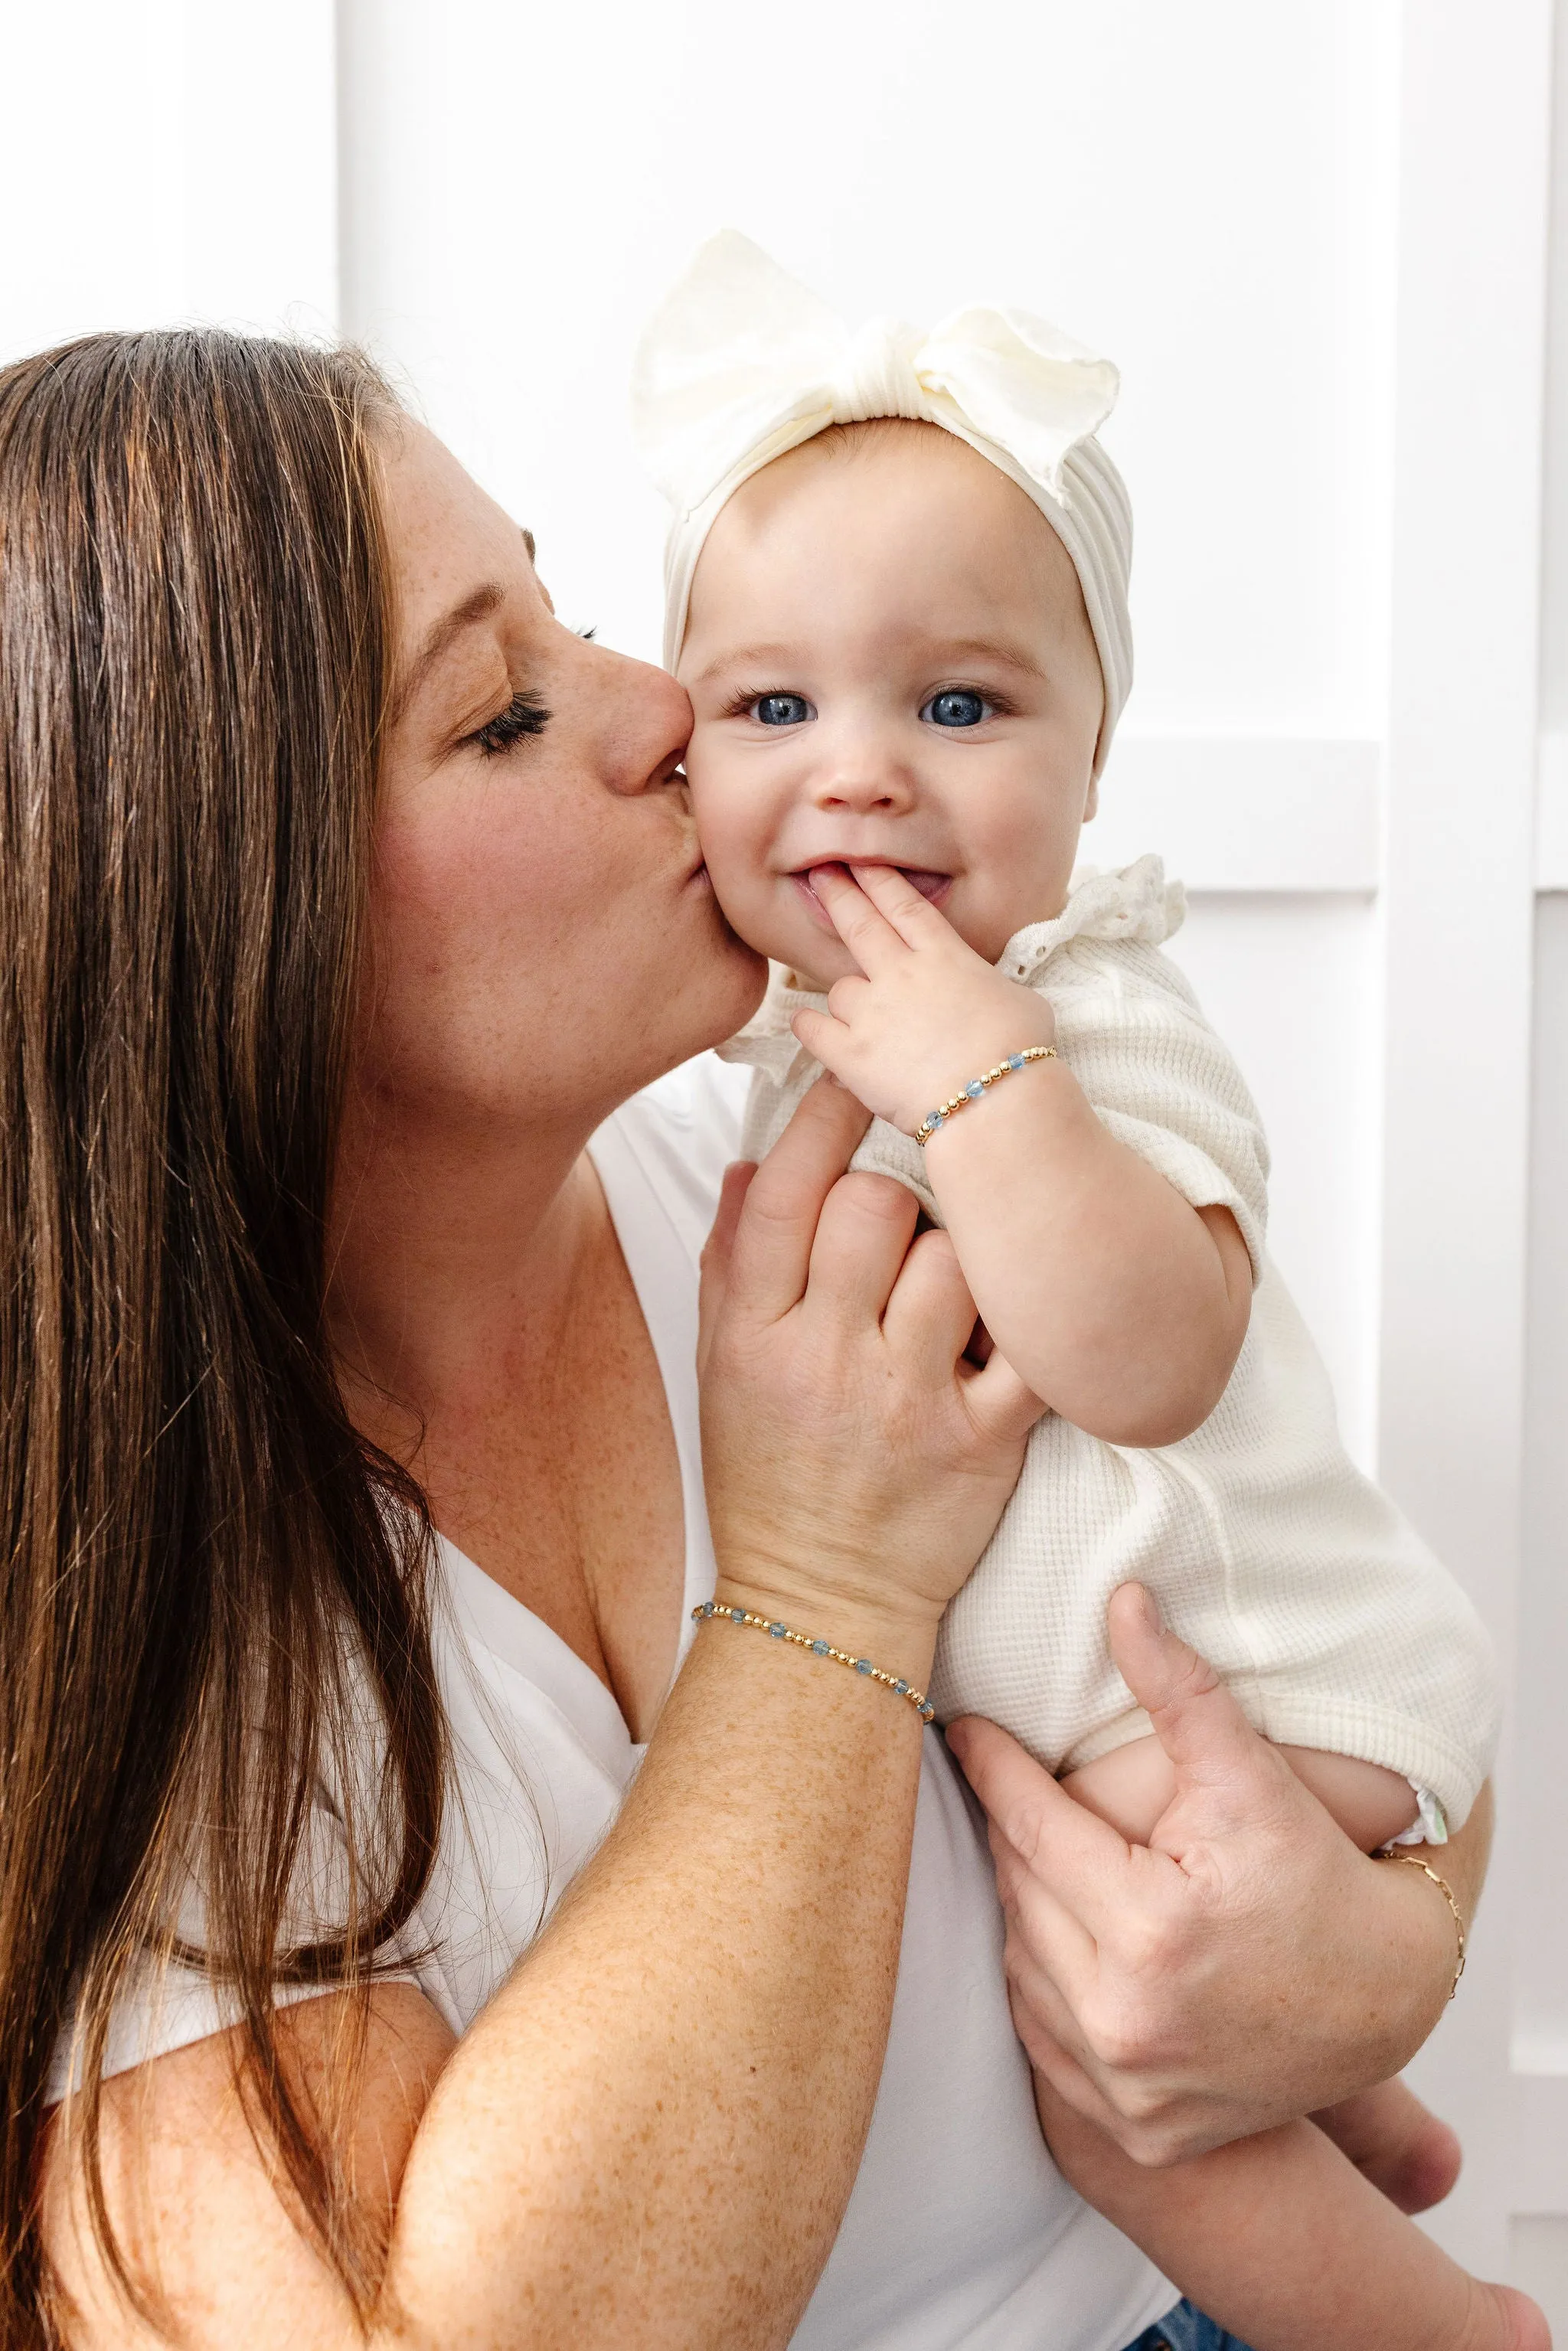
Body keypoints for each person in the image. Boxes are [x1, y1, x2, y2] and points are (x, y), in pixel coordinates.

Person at [0, 325, 1504, 2351]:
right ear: (238, 927)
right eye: (505, 713)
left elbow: (1290, 1587)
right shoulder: (139, 1613)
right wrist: (821, 1581)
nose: (671, 718)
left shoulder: (842, 1159)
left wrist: (1380, 1949)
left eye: (582, 613)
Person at [635, 231, 1542, 2349]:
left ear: (1097, 752)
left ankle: (1449, 2329)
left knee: (1106, 2085)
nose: (857, 769)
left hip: (1244, 1675)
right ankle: (1369, 2136)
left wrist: (990, 1088)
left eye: (957, 703)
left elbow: (1148, 1355)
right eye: (773, 707)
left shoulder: (1082, 1013)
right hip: (1104, 1709)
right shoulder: (779, 1054)